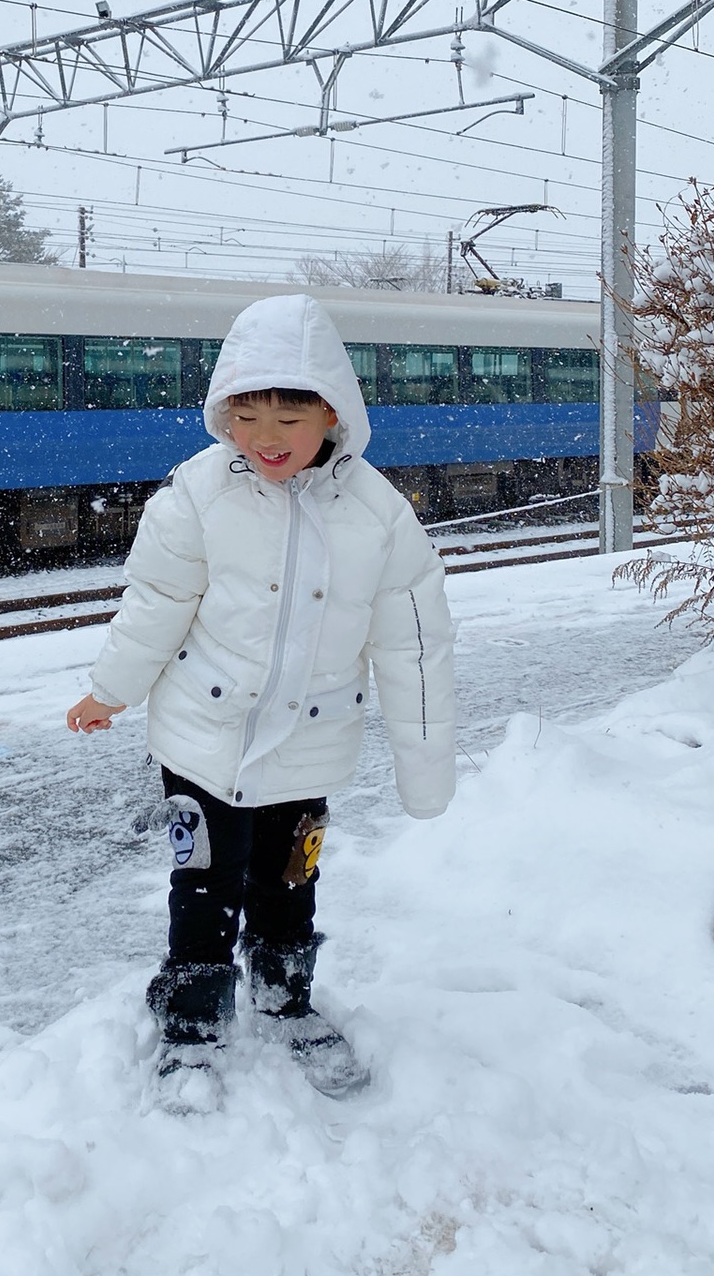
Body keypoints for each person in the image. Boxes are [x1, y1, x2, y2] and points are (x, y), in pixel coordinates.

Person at [66, 293, 456, 1103]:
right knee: (203, 882)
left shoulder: (380, 516)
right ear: (223, 414)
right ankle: (193, 1019)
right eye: (247, 415)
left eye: (290, 414)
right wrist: (111, 691)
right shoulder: (195, 496)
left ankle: (287, 998)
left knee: (289, 878)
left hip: (310, 745)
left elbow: (413, 646)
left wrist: (425, 769)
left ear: (334, 413)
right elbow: (155, 607)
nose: (267, 438)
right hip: (201, 740)